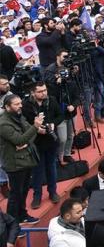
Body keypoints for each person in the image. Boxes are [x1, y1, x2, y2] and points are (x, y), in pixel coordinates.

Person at [0, 93, 44, 224]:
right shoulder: (3, 124)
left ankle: (22, 215)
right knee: (15, 194)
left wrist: (26, 140)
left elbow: (28, 136)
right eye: (16, 104)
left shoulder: (19, 117)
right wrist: (34, 127)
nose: (20, 106)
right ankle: (12, 223)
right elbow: (20, 139)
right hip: (14, 164)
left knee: (24, 191)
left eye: (20, 103)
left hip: (26, 160)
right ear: (7, 107)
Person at [23, 81, 62, 208]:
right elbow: (23, 123)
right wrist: (35, 129)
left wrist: (53, 124)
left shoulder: (52, 100)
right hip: (36, 142)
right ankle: (37, 196)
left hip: (51, 140)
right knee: (37, 171)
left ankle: (53, 192)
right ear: (33, 93)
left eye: (45, 90)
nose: (44, 93)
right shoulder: (26, 105)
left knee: (51, 167)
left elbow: (60, 116)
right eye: (40, 91)